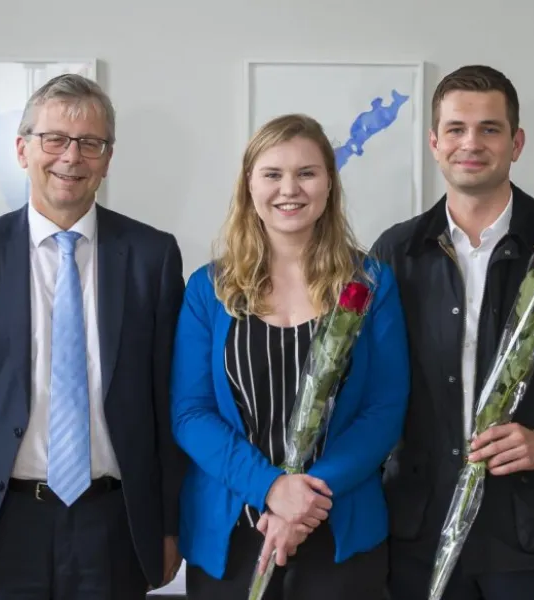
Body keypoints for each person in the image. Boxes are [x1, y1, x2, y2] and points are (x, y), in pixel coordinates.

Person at [0, 73, 185, 600]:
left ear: (107, 157)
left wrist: (170, 524)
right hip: (0, 523)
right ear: (21, 149)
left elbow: (167, 403)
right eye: (53, 139)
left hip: (116, 524)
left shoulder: (153, 257)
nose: (71, 157)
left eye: (90, 143)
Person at [370, 65, 534, 599]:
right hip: (418, 531)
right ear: (434, 141)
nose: (472, 143)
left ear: (516, 143)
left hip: (533, 535)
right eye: (456, 129)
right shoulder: (395, 253)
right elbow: (373, 385)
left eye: (490, 129)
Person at [170, 114, 409, 599]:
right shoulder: (208, 289)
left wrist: (307, 498)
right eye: (272, 174)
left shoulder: (370, 284)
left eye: (307, 173)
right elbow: (190, 413)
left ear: (329, 185)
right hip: (231, 536)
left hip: (341, 530)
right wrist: (272, 489)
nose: (290, 189)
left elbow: (384, 410)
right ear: (249, 186)